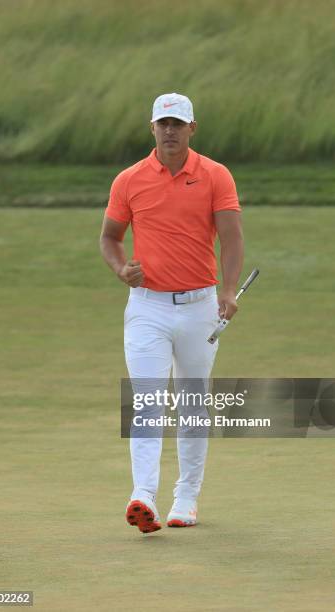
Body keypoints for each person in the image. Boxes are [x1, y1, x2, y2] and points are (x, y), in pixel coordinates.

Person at [100, 92, 244, 533]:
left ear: (192, 129)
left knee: (193, 403)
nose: (170, 131)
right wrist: (121, 268)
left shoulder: (216, 175)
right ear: (152, 128)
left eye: (178, 124)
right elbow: (109, 237)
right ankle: (143, 496)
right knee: (146, 402)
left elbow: (231, 238)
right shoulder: (130, 179)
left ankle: (186, 497)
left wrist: (229, 290)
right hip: (147, 307)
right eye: (163, 123)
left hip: (200, 305)